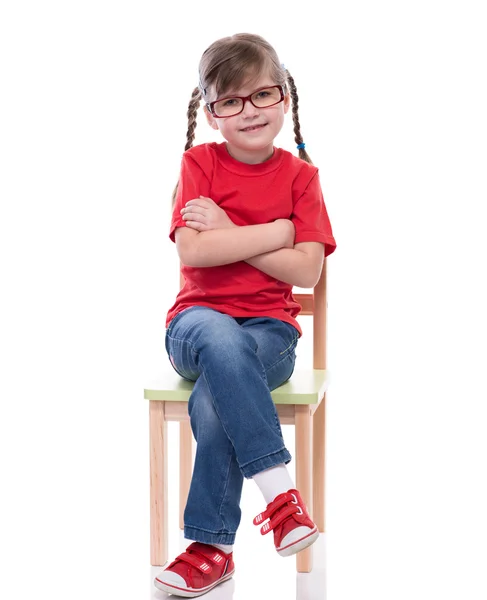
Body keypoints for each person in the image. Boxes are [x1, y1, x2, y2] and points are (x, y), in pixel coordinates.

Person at [154, 32, 337, 597]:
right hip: (194, 325)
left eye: (261, 95)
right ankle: (281, 495)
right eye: (230, 101)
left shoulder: (301, 177)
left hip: (269, 335)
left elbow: (306, 272)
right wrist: (273, 235)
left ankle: (211, 549)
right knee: (216, 334)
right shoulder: (199, 164)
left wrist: (230, 231)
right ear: (211, 114)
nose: (249, 111)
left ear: (284, 98)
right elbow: (193, 251)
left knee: (217, 392)